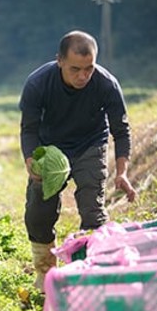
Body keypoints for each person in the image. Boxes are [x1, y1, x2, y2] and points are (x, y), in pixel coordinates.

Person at [18, 30, 137, 292]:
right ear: (59, 60)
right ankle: (46, 273)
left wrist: (122, 172)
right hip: (51, 150)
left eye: (89, 68)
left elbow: (121, 129)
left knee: (93, 214)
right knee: (38, 213)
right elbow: (29, 129)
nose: (83, 76)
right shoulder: (38, 83)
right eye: (75, 69)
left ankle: (93, 276)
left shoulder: (106, 84)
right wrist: (30, 160)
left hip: (90, 145)